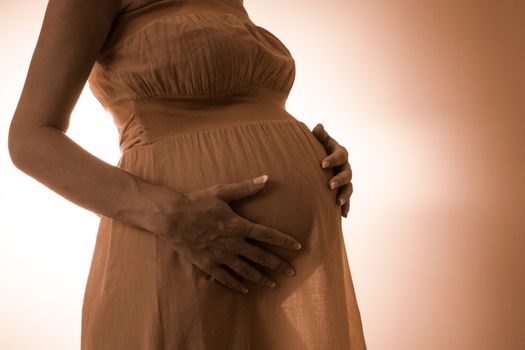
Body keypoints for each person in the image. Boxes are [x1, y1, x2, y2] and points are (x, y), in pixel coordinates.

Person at [8, 0, 367, 349]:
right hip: (181, 245)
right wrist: (173, 216)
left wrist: (315, 153)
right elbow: (30, 139)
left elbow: (235, 105)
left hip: (274, 269)